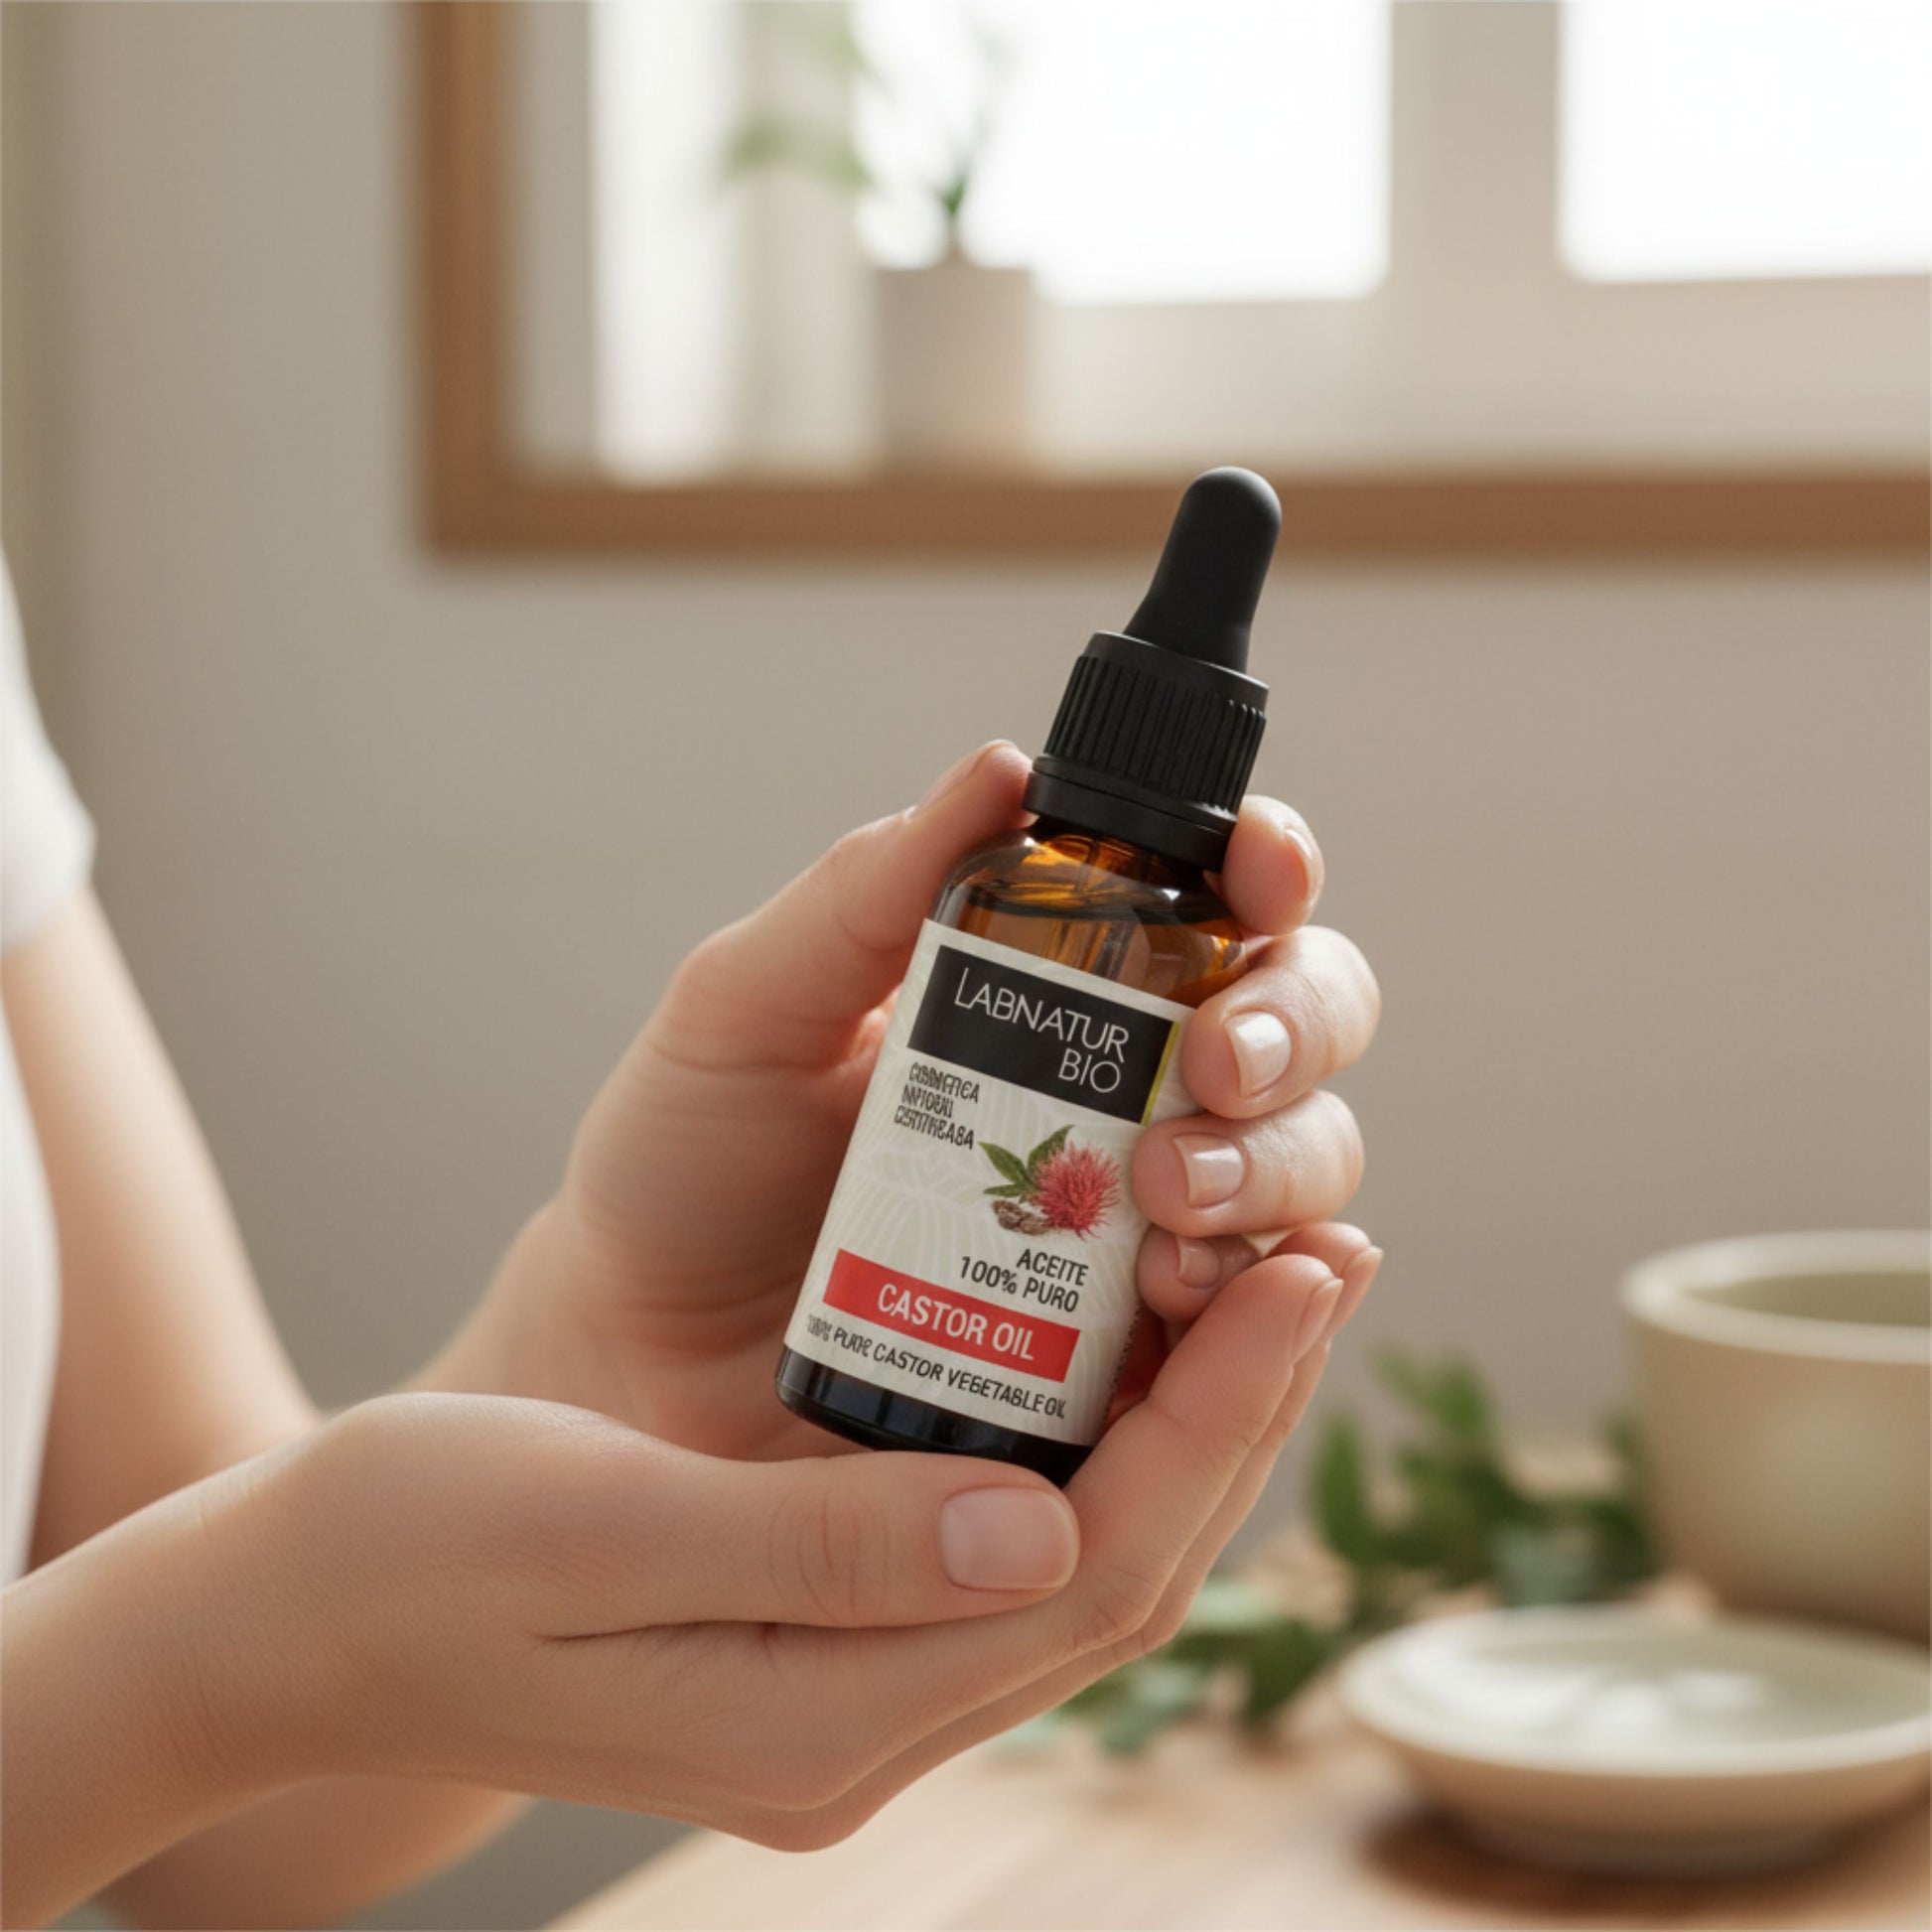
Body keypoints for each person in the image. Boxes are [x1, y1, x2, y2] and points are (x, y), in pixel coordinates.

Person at [0, 567, 1381, 1929]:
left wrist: (602, 1366)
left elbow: (188, 1775)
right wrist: (284, 1622)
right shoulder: (1011, 890)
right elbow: (179, 1646)